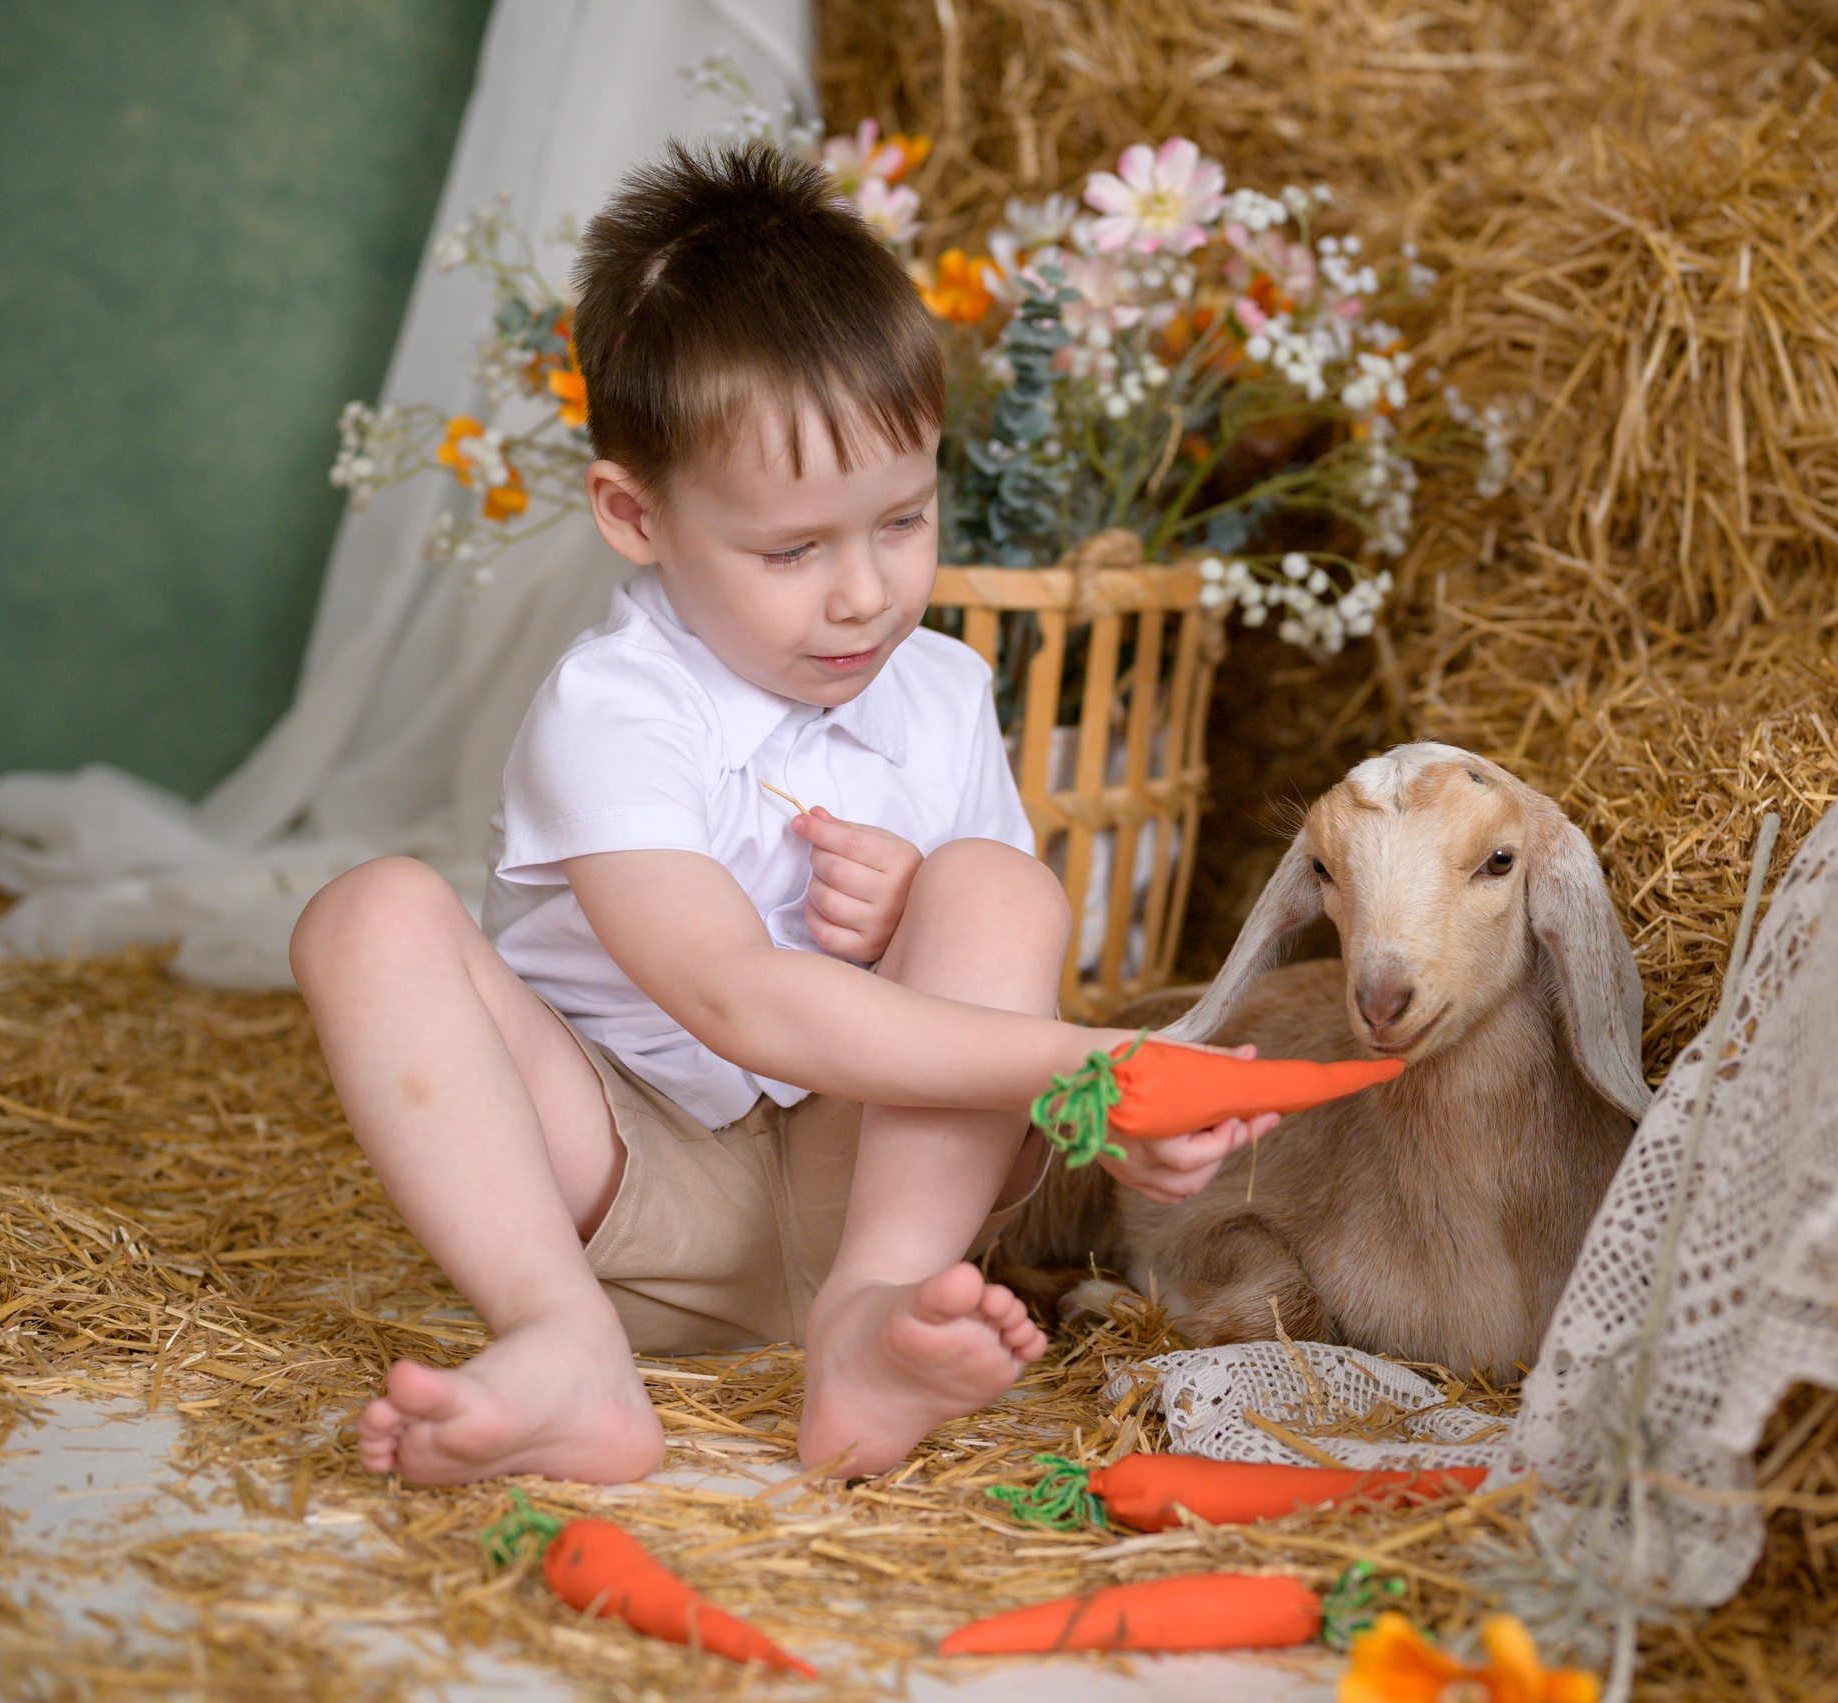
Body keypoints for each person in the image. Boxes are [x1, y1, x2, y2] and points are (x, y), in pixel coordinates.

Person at [289, 142, 1273, 1487]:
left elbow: (984, 993)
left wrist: (934, 932)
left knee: (994, 885)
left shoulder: (941, 692)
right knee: (368, 914)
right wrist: (1086, 1070)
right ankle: (564, 1342)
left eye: (902, 521)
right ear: (635, 514)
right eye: (793, 549)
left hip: (877, 1182)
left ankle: (867, 1322)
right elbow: (733, 997)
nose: (863, 593)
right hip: (635, 1182)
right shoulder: (614, 708)